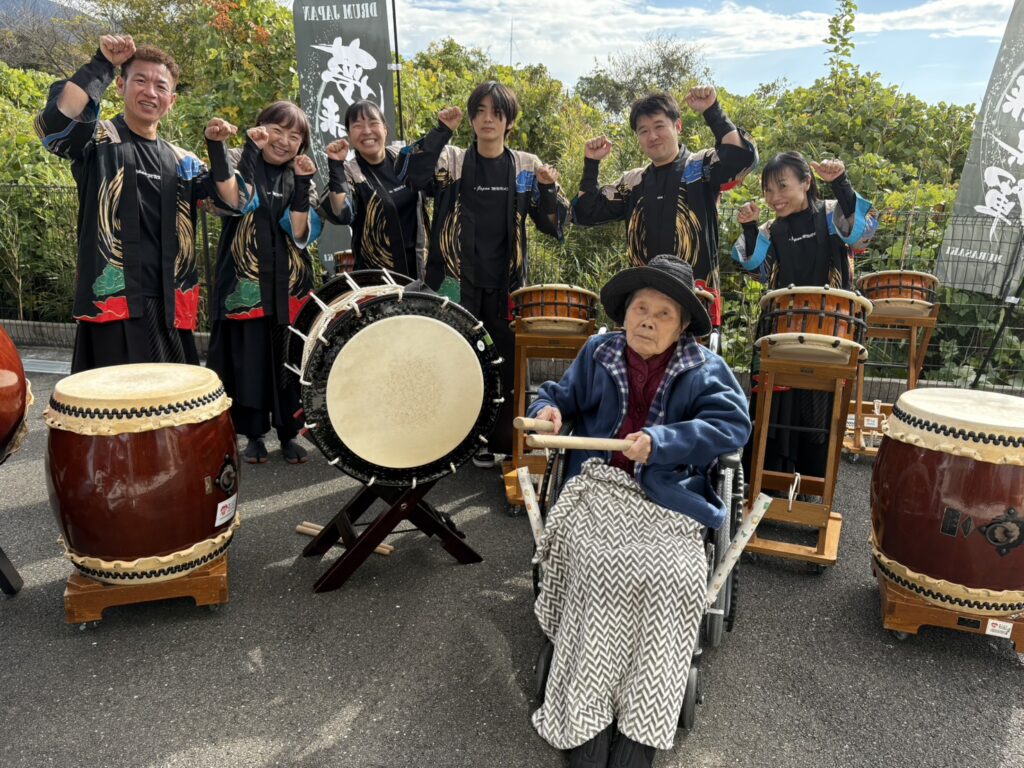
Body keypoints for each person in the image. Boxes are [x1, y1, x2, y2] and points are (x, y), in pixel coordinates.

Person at [527, 255, 751, 768]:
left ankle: (640, 729)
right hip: (598, 488)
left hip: (669, 497)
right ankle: (584, 721)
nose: (648, 321)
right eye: (640, 308)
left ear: (683, 324)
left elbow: (733, 427)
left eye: (663, 313)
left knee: (673, 577)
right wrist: (548, 412)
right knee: (594, 568)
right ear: (625, 313)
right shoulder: (598, 351)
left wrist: (664, 441)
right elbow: (556, 396)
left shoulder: (705, 368)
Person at [35, 34, 250, 373]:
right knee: (115, 402)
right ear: (121, 85)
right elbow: (55, 125)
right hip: (112, 302)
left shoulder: (183, 161)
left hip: (171, 306)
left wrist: (217, 149)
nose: (150, 92)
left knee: (175, 402)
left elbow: (231, 203)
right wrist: (102, 64)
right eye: (140, 81)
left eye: (160, 86)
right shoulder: (98, 141)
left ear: (172, 100)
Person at [404, 81, 571, 468]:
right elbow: (412, 176)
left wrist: (548, 189)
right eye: (479, 111)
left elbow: (555, 224)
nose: (487, 119)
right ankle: (455, 440)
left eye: (496, 112)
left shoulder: (526, 166)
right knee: (455, 362)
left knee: (505, 365)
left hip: (507, 287)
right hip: (454, 283)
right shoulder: (452, 160)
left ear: (509, 121)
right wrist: (441, 130)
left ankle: (500, 442)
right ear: (471, 118)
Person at [730, 151, 878, 478]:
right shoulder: (771, 229)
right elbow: (754, 268)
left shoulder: (831, 214)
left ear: (807, 182)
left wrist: (840, 183)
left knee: (819, 408)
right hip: (780, 328)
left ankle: (813, 481)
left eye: (782, 186)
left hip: (831, 331)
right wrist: (750, 226)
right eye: (768, 190)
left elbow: (861, 232)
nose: (774, 197)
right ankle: (764, 480)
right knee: (772, 405)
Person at [573, 88, 757, 327]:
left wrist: (713, 111)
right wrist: (591, 163)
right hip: (645, 304)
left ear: (678, 126)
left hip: (697, 300)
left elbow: (741, 158)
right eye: (643, 131)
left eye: (659, 126)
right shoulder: (633, 182)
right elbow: (586, 211)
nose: (652, 136)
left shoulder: (700, 167)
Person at [206, 101, 322, 465]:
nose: (284, 141)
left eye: (295, 136)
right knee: (249, 361)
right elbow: (234, 201)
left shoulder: (301, 175)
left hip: (290, 287)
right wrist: (244, 151)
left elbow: (300, 231)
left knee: (289, 363)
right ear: (260, 129)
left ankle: (289, 434)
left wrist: (302, 183)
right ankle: (253, 434)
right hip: (245, 285)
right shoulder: (238, 159)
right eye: (278, 130)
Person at [317, 100, 437, 279]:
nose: (367, 131)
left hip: (422, 274)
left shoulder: (404, 158)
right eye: (358, 126)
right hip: (377, 281)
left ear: (385, 129)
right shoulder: (351, 173)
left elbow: (439, 183)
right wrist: (335, 166)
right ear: (349, 135)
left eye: (373, 123)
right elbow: (341, 212)